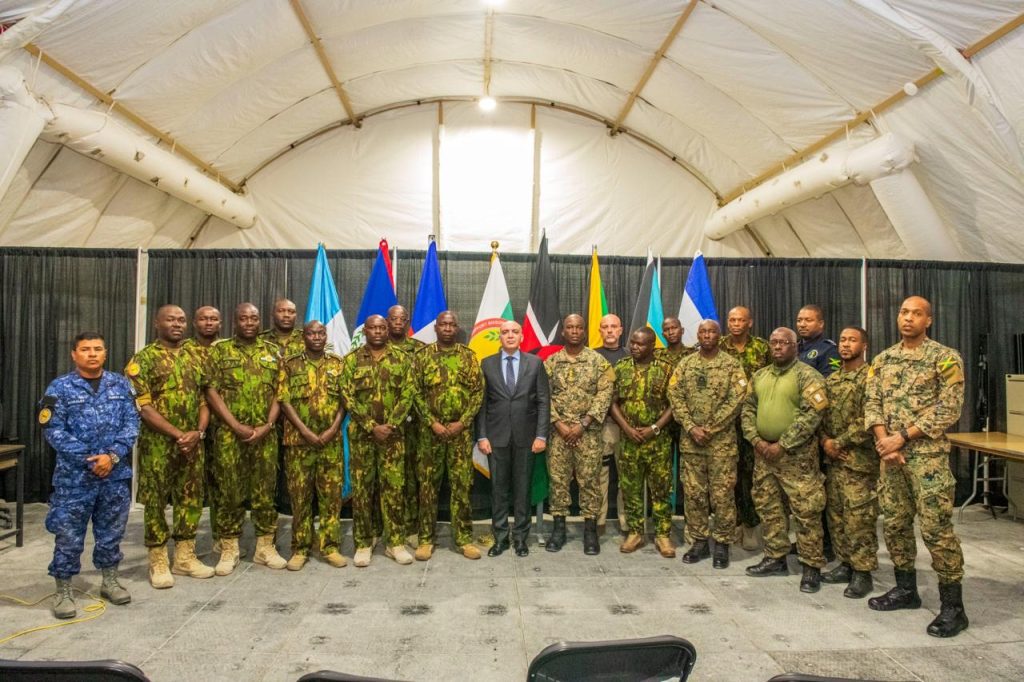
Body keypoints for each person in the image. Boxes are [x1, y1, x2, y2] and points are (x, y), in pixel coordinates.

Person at [864, 296, 968, 638]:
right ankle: (906, 589)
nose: (908, 318)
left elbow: (949, 408)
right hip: (890, 459)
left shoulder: (945, 358)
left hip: (927, 459)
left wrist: (902, 438)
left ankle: (953, 607)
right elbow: (872, 403)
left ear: (929, 320)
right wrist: (885, 442)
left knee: (937, 530)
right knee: (894, 524)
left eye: (916, 313)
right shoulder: (883, 359)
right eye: (904, 312)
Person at [39, 332, 139, 619]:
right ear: (74, 354)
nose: (92, 354)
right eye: (85, 349)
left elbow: (132, 424)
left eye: (97, 349)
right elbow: (53, 430)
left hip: (115, 476)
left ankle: (109, 580)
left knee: (111, 534)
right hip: (75, 479)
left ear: (105, 353)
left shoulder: (121, 385)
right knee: (68, 536)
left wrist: (112, 457)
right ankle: (63, 591)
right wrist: (90, 459)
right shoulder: (60, 388)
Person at [126, 305, 213, 589]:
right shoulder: (143, 360)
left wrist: (198, 433)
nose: (177, 324)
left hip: (192, 443)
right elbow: (144, 407)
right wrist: (179, 435)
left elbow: (204, 399)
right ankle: (159, 560)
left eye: (181, 320)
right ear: (156, 323)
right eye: (171, 319)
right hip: (158, 446)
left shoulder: (194, 356)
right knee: (156, 502)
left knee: (190, 499)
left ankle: (185, 557)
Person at [741, 327, 828, 593]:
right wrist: (756, 440)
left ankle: (811, 566)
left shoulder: (808, 376)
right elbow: (747, 409)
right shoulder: (759, 375)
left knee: (806, 511)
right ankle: (775, 557)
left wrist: (783, 444)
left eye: (783, 343)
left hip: (797, 457)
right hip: (763, 455)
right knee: (769, 508)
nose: (777, 347)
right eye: (774, 342)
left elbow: (811, 416)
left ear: (795, 346)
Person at [205, 303, 286, 574]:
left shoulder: (273, 352)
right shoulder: (220, 350)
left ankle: (265, 547)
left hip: (265, 434)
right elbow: (211, 392)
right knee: (230, 492)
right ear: (235, 321)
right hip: (230, 435)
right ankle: (229, 548)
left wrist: (268, 424)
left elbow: (280, 392)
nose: (249, 322)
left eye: (254, 318)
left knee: (265, 492)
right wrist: (235, 425)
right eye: (244, 318)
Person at [669, 320, 748, 568]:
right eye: (703, 332)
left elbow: (738, 399)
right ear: (698, 335)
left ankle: (722, 543)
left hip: (721, 444)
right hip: (691, 443)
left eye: (711, 331)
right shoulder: (686, 364)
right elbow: (674, 395)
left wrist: (710, 429)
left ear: (718, 335)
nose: (707, 335)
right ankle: (699, 541)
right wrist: (691, 426)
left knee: (723, 495)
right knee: (694, 494)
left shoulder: (731, 365)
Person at [340, 314, 415, 567]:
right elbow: (347, 396)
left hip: (393, 438)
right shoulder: (351, 361)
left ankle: (395, 543)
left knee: (394, 490)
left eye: (382, 327)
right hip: (362, 438)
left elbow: (408, 393)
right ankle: (363, 542)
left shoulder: (402, 359)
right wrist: (372, 427)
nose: (379, 331)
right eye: (373, 328)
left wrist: (390, 425)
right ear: (365, 331)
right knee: (363, 492)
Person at [412, 311, 483, 560]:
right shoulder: (422, 358)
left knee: (461, 488)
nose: (448, 328)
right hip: (429, 435)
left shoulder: (469, 357)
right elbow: (415, 393)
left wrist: (462, 423)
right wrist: (432, 423)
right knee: (428, 488)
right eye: (444, 324)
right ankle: (425, 540)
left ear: (457, 328)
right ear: (436, 327)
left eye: (452, 324)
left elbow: (477, 393)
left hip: (460, 436)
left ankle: (464, 539)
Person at [477, 320, 550, 557]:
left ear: (521, 337)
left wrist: (541, 435)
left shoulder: (535, 363)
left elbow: (543, 401)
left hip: (527, 439)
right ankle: (500, 538)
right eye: (505, 332)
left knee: (522, 491)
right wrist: (482, 436)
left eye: (514, 332)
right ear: (499, 337)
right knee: (498, 491)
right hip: (496, 439)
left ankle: (520, 538)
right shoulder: (486, 364)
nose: (510, 335)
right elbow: (482, 405)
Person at [277, 321, 346, 571]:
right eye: (311, 333)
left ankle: (330, 546)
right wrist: (305, 431)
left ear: (325, 335)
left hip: (330, 442)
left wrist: (332, 429)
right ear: (303, 336)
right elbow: (284, 400)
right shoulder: (289, 363)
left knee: (331, 498)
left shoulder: (338, 364)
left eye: (320, 333)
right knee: (300, 498)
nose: (316, 337)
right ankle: (300, 548)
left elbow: (345, 401)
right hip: (298, 442)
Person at [544, 314, 614, 555]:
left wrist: (582, 424)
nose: (574, 331)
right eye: (569, 327)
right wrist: (559, 425)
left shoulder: (598, 361)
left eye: (579, 327)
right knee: (558, 482)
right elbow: (543, 396)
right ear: (563, 331)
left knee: (590, 483)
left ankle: (590, 532)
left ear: (585, 331)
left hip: (589, 435)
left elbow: (604, 395)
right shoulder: (551, 362)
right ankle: (558, 530)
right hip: (558, 435)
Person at [819, 326, 877, 599]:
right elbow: (819, 416)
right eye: (842, 339)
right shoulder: (831, 381)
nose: (845, 344)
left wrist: (838, 443)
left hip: (859, 461)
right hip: (834, 461)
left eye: (852, 340)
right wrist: (824, 442)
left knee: (859, 519)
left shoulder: (871, 379)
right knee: (837, 515)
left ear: (863, 346)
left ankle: (862, 573)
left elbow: (870, 419)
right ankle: (845, 564)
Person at [610, 328, 676, 558]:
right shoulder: (621, 367)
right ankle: (636, 532)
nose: (635, 347)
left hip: (657, 441)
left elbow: (674, 405)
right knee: (631, 489)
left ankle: (663, 535)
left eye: (640, 344)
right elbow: (612, 402)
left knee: (660, 489)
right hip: (629, 441)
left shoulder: (666, 370)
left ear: (652, 345)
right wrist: (627, 429)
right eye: (633, 343)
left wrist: (654, 428)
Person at [720, 306, 770, 550]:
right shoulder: (718, 346)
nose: (735, 324)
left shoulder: (763, 348)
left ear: (749, 323)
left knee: (751, 476)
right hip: (725, 424)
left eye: (740, 320)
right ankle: (733, 523)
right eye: (731, 320)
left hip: (754, 422)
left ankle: (751, 525)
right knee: (728, 477)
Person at [386, 304, 424, 540]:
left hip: (415, 425)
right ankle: (387, 525)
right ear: (387, 322)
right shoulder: (376, 347)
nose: (398, 322)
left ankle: (411, 526)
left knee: (411, 475)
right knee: (386, 478)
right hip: (385, 426)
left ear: (408, 321)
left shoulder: (419, 350)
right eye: (393, 318)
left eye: (402, 318)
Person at [594, 313, 629, 534]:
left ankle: (626, 520)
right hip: (602, 424)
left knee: (625, 474)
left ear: (621, 330)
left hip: (626, 426)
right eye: (605, 327)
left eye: (613, 326)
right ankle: (599, 520)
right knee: (601, 474)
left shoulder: (630, 355)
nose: (609, 330)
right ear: (600, 330)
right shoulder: (592, 357)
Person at [796, 304, 840, 378]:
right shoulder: (793, 347)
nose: (802, 324)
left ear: (821, 324)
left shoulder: (829, 349)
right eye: (799, 320)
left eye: (808, 320)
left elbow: (830, 380)